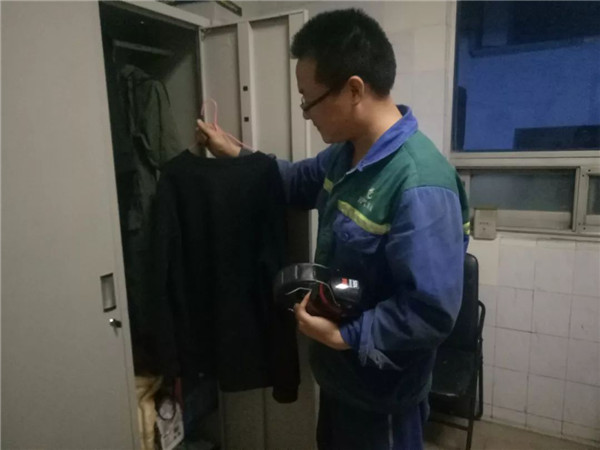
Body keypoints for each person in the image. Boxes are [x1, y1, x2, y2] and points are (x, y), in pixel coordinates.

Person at [196, 8, 469, 450]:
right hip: (341, 381)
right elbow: (290, 180)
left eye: (308, 100)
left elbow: (430, 313)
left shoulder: (420, 184)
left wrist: (345, 336)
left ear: (354, 89)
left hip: (382, 399)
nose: (305, 114)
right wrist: (234, 152)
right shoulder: (345, 155)